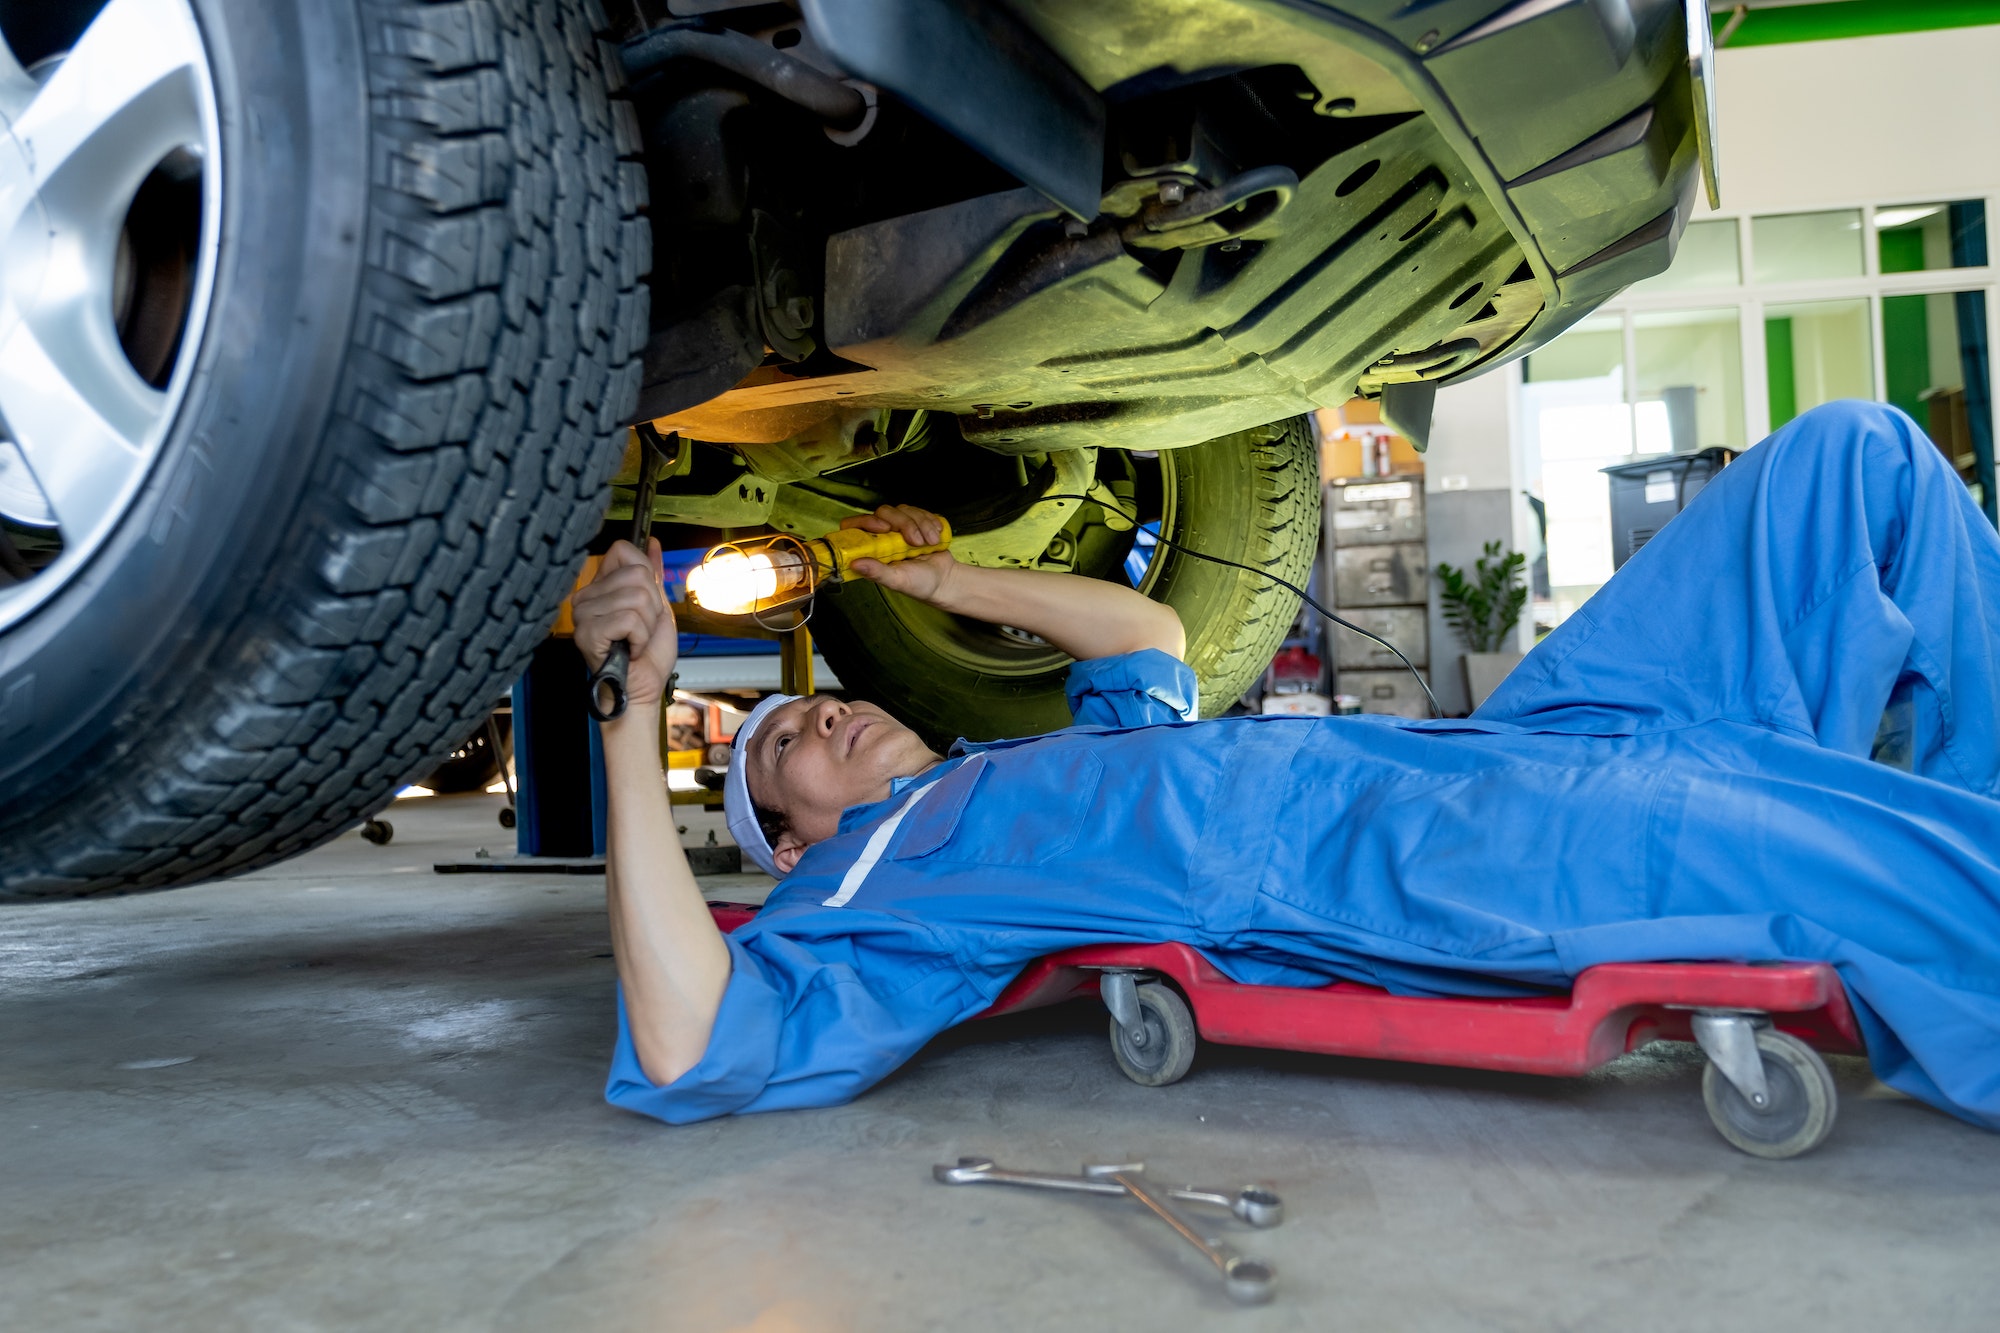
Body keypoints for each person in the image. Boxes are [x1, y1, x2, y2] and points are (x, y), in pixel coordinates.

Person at [571, 401, 2000, 1131]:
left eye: (812, 711)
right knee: (1876, 867)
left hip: (1497, 744)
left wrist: (939, 583)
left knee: (1850, 465)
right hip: (1430, 855)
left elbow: (1139, 628)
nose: (819, 725)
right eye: (785, 763)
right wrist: (635, 720)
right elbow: (695, 1039)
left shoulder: (1021, 764)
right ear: (800, 851)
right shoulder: (887, 895)